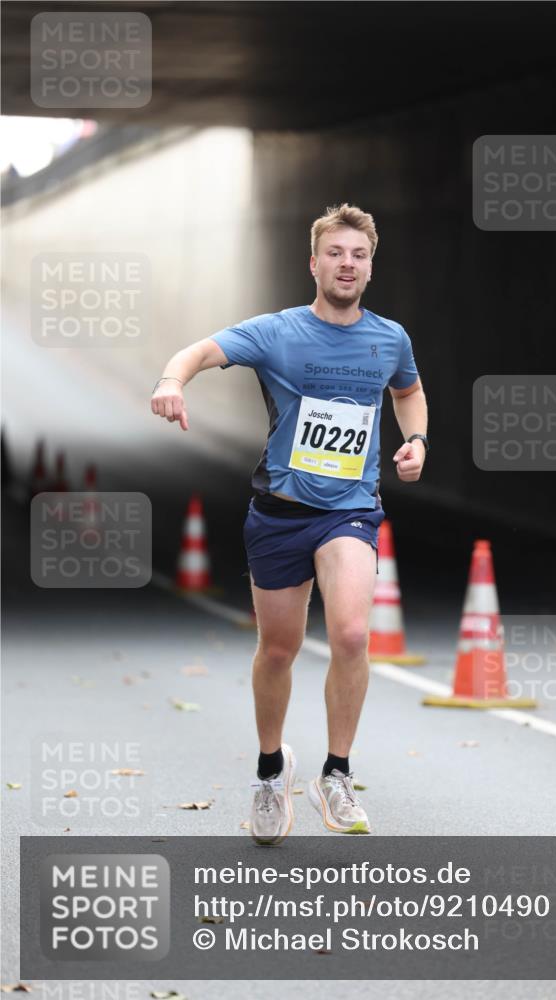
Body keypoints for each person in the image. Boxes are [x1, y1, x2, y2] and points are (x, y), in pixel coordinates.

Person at [151, 203, 428, 844]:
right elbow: (198, 351)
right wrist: (171, 380)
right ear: (314, 262)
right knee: (279, 650)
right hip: (279, 514)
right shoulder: (276, 332)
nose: (347, 264)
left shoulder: (390, 337)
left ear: (370, 266)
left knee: (353, 635)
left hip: (351, 511)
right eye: (336, 253)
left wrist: (415, 440)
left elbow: (408, 390)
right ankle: (272, 772)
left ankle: (337, 772)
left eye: (358, 255)